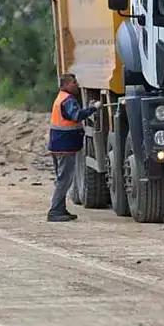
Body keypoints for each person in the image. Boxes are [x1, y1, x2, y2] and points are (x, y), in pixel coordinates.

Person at [47, 73, 101, 222]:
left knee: (62, 179)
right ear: (65, 85)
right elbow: (76, 116)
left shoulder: (61, 98)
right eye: (73, 82)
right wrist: (93, 108)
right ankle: (55, 211)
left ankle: (60, 209)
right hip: (64, 146)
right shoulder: (68, 100)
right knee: (64, 180)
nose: (76, 84)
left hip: (58, 145)